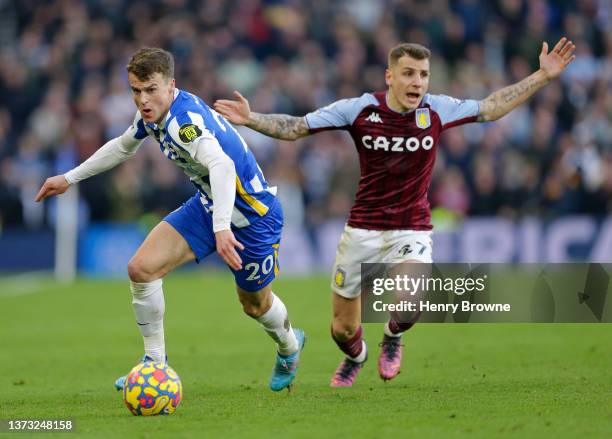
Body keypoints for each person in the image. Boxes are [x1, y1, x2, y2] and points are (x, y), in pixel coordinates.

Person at [214, 38, 576, 387]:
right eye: (408, 73)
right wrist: (252, 118)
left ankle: (392, 336)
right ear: (390, 76)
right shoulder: (359, 109)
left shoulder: (437, 109)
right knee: (342, 330)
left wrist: (542, 76)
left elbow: (492, 107)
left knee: (409, 305)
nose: (416, 81)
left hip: (411, 228)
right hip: (362, 230)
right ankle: (356, 358)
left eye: (423, 74)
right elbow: (296, 127)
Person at [35, 48, 305, 392]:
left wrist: (222, 227)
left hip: (254, 216)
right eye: (136, 90)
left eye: (150, 89)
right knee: (141, 268)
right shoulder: (152, 116)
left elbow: (222, 166)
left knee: (255, 305)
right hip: (208, 205)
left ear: (171, 85)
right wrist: (69, 178)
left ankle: (289, 347)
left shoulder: (184, 123)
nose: (143, 99)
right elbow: (122, 146)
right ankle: (154, 364)